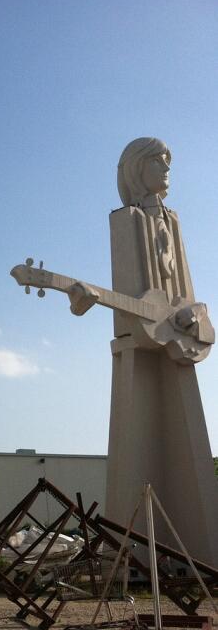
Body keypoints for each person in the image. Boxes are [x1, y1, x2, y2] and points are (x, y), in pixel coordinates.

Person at [72, 138, 218, 564]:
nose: (167, 169)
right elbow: (132, 300)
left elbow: (190, 298)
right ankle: (132, 562)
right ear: (137, 169)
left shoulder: (174, 221)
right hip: (139, 343)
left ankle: (204, 557)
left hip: (178, 345)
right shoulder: (127, 220)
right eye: (158, 162)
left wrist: (193, 315)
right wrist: (88, 297)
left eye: (168, 162)